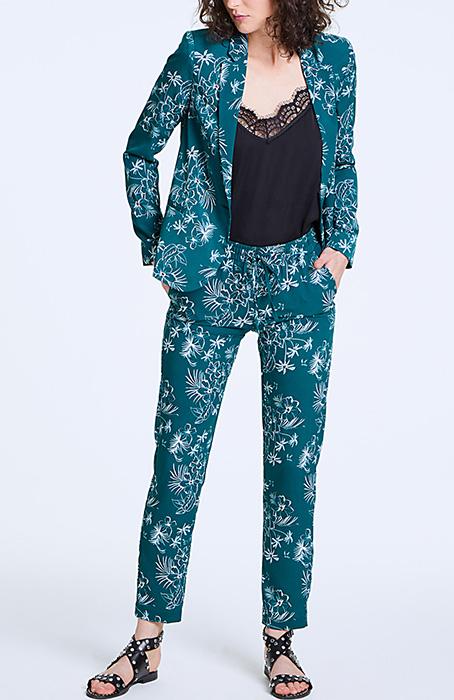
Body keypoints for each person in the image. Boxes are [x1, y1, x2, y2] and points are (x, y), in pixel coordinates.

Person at [86, 0, 358, 697]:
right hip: (210, 281)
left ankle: (280, 641)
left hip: (299, 284)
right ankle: (146, 642)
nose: (235, 0)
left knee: (293, 470)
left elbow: (342, 158)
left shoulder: (335, 62)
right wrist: (158, 243)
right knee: (177, 461)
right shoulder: (198, 56)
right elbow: (140, 148)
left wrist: (340, 245)